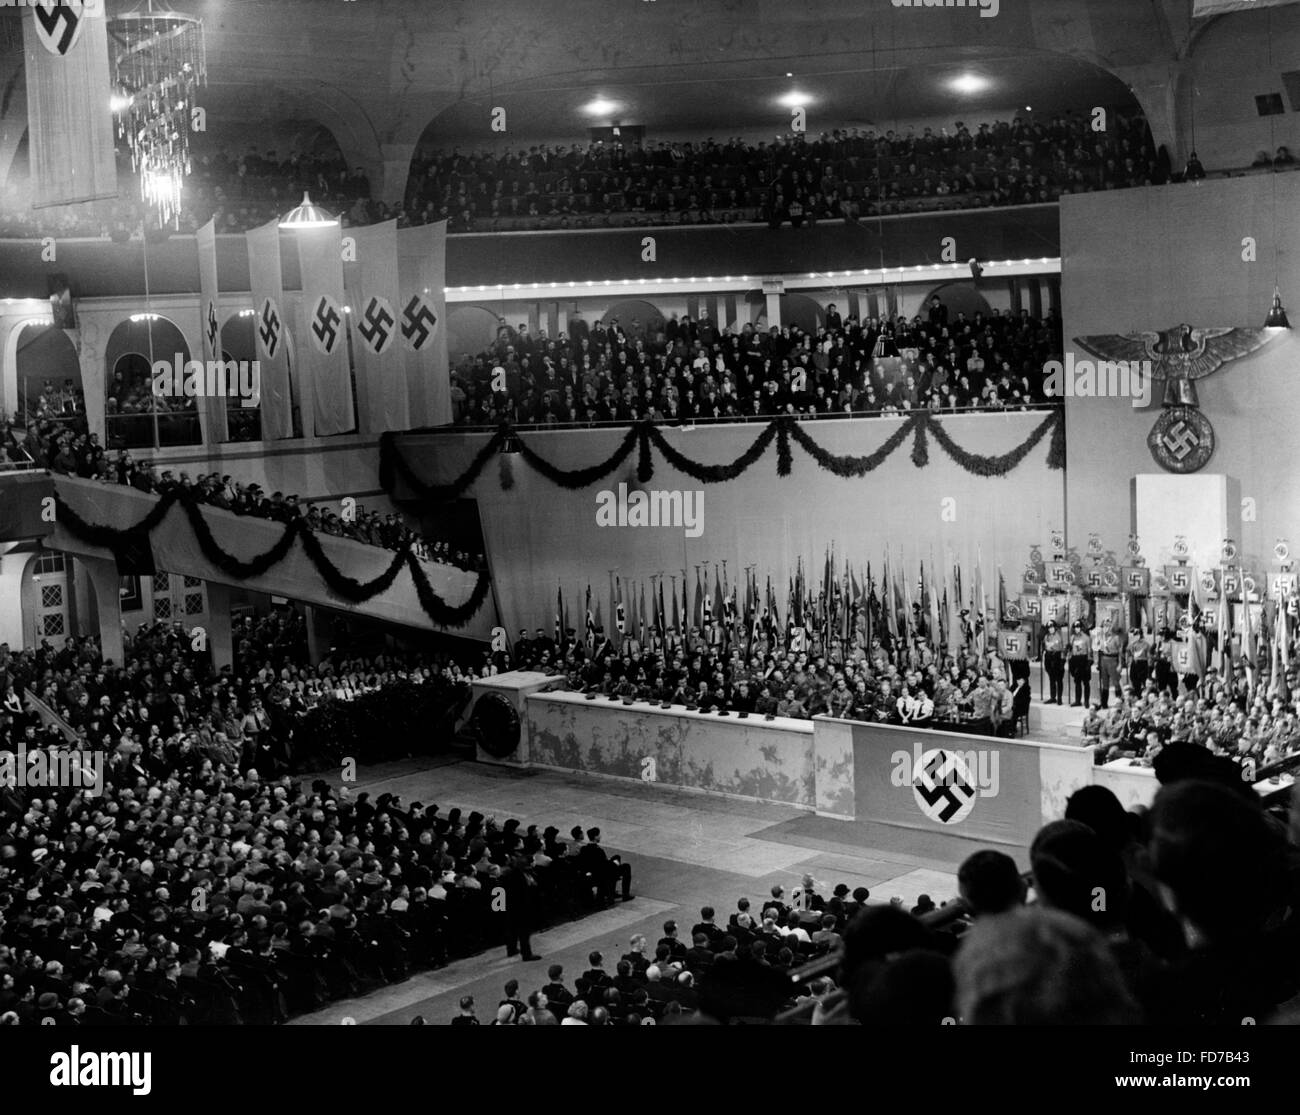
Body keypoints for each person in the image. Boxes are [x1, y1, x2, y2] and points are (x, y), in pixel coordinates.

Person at [1068, 622, 1092, 707]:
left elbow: (1089, 650)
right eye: (1075, 627)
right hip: (1075, 659)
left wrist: (1089, 662)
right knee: (1077, 681)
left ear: (1081, 627)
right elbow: (1070, 650)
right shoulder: (1072, 637)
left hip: (1084, 659)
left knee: (1086, 682)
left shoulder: (1086, 638)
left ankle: (1086, 701)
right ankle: (1078, 700)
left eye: (1078, 627)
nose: (1077, 628)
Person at [1042, 621, 1065, 704]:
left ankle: (1059, 698)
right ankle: (1053, 697)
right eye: (1049, 628)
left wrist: (1062, 661)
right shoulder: (1046, 636)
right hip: (1048, 657)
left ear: (1055, 628)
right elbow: (1045, 646)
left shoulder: (1058, 636)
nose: (1050, 629)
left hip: (1056, 657)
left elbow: (1061, 649)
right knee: (1051, 679)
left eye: (1052, 627)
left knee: (1058, 679)